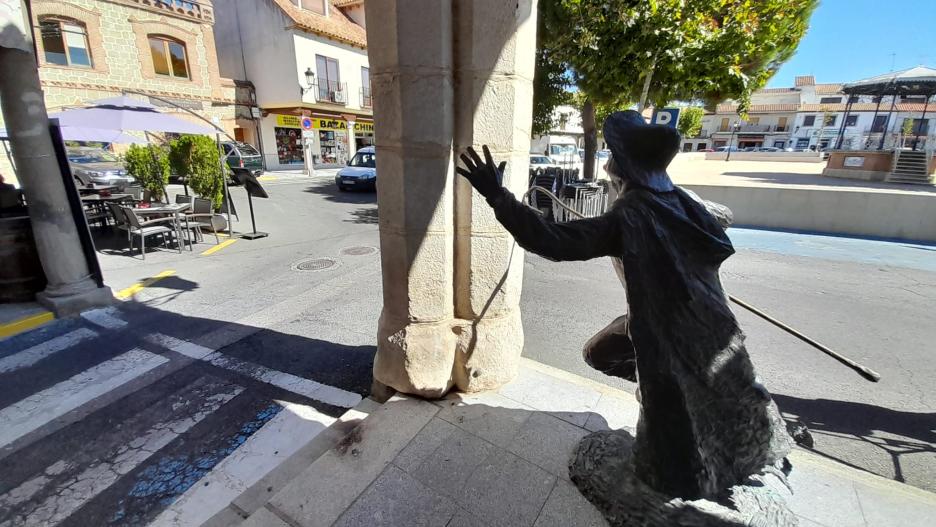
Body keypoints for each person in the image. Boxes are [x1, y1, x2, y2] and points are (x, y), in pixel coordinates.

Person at [456, 110, 790, 500]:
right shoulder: (684, 201)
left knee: (669, 442)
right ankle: (675, 416)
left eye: (612, 150)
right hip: (698, 323)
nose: (607, 156)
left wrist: (497, 195)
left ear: (623, 163)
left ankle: (673, 474)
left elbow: (552, 239)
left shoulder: (632, 214)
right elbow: (722, 217)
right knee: (601, 354)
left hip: (672, 335)